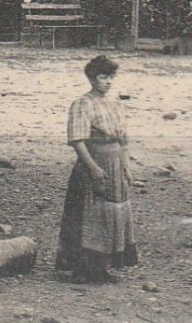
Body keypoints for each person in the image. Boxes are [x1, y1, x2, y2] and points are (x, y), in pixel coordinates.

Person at [56, 55, 138, 283]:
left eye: (111, 77)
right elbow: (77, 140)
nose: (108, 82)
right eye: (103, 77)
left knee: (112, 213)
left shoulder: (115, 103)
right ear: (92, 79)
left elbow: (123, 140)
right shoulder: (83, 104)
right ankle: (83, 269)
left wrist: (126, 168)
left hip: (115, 162)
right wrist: (92, 167)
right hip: (94, 161)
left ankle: (103, 267)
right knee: (90, 212)